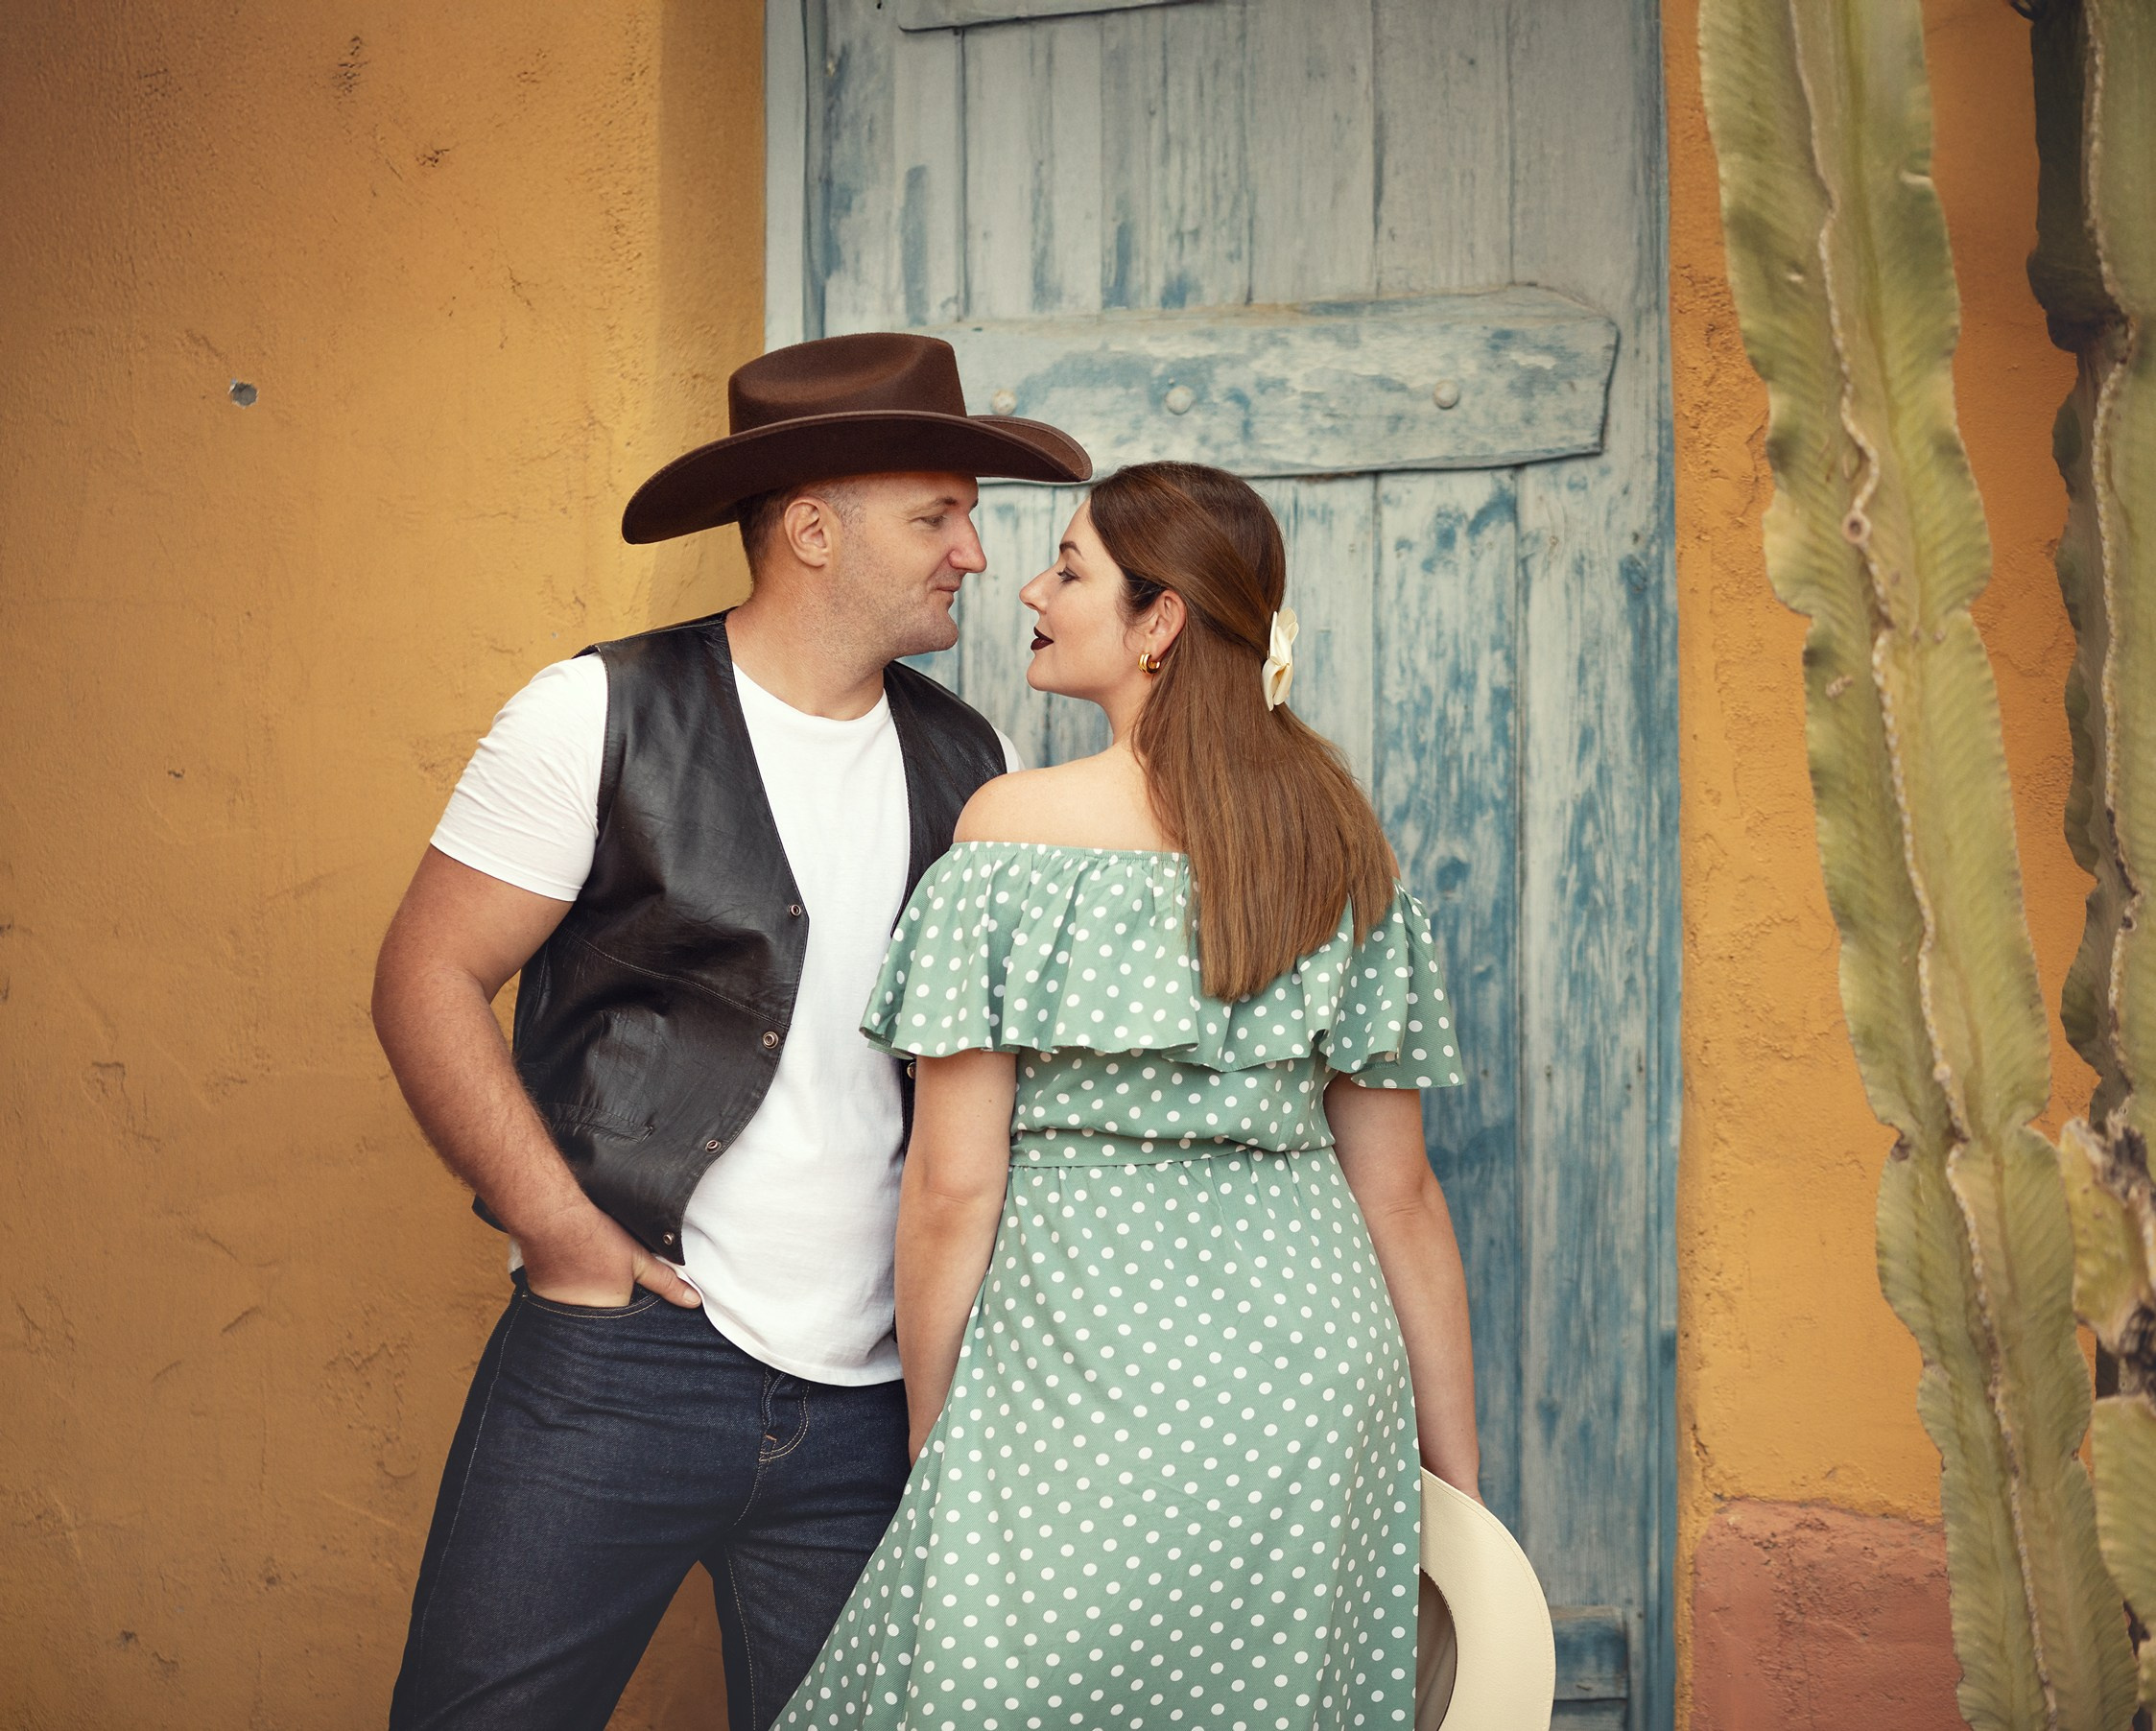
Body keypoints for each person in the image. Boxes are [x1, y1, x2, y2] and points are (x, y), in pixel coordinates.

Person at [370, 331, 1089, 1731]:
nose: (974, 555)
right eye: (937, 518)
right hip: (623, 1359)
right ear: (813, 530)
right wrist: (561, 1234)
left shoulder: (974, 763)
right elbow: (425, 977)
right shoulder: (596, 714)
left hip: (880, 1399)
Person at [778, 461, 1480, 1731]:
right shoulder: (1343, 846)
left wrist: (934, 1436)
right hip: (1315, 1390)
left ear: (1160, 623)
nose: (1030, 591)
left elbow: (953, 1187)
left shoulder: (1013, 836)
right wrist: (1457, 1485)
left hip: (1077, 1373)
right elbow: (1402, 1194)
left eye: (1069, 569)